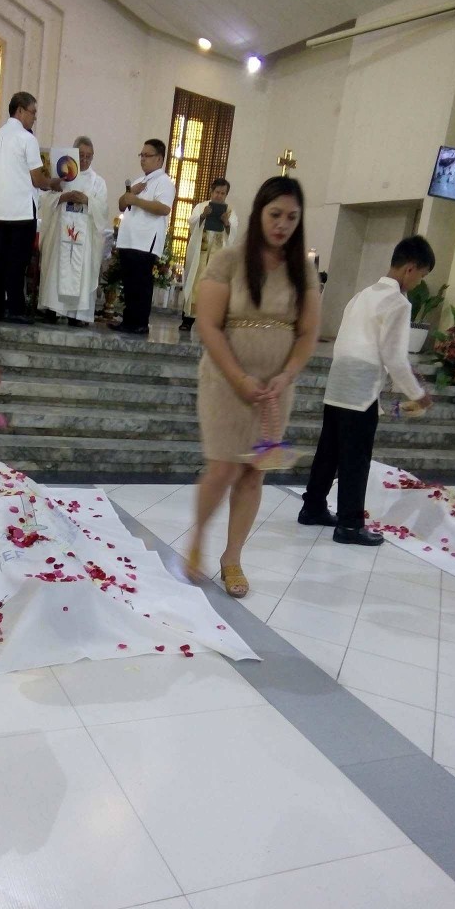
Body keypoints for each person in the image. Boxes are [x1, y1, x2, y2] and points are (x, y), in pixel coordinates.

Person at [187, 176, 321, 597]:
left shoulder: (304, 272)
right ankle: (197, 539)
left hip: (274, 389)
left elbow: (307, 334)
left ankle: (232, 557)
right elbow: (208, 325)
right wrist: (240, 377)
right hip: (226, 381)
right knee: (223, 467)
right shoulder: (228, 261)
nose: (282, 224)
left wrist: (287, 375)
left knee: (251, 474)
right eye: (275, 214)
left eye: (292, 217)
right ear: (260, 213)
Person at [298, 235, 434, 546]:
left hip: (338, 382)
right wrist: (417, 394)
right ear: (411, 269)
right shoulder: (398, 302)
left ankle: (313, 506)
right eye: (422, 276)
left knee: (328, 451)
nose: (418, 283)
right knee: (356, 457)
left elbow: (346, 342)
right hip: (360, 390)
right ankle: (349, 525)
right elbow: (395, 358)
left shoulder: (362, 295)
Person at [0, 91, 62, 324]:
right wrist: (52, 184)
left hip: (0, 208)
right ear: (20, 110)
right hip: (22, 210)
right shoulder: (27, 139)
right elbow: (37, 179)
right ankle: (15, 308)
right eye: (33, 112)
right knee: (17, 260)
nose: (35, 117)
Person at [38, 136, 109, 327]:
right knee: (56, 268)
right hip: (60, 232)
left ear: (93, 157)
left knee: (80, 270)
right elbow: (45, 200)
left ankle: (76, 314)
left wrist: (87, 200)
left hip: (84, 238)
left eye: (88, 156)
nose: (85, 160)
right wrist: (64, 197)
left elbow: (102, 209)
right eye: (81, 155)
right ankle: (52, 309)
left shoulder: (98, 182)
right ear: (74, 155)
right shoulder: (63, 177)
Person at [109, 139, 176, 335]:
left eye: (147, 155)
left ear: (159, 159)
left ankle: (140, 323)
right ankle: (129, 320)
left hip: (146, 241)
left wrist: (136, 200)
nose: (143, 159)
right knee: (129, 282)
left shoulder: (164, 182)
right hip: (129, 239)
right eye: (141, 155)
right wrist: (130, 195)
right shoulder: (139, 181)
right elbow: (122, 204)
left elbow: (164, 208)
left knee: (141, 283)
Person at [180, 178, 238, 331]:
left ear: (226, 194)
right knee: (195, 282)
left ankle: (211, 322)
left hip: (217, 256)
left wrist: (226, 223)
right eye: (217, 192)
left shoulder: (230, 211)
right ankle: (188, 319)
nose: (219, 196)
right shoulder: (201, 207)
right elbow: (192, 224)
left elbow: (233, 233)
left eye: (223, 193)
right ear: (211, 192)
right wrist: (203, 216)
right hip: (200, 253)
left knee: (214, 286)